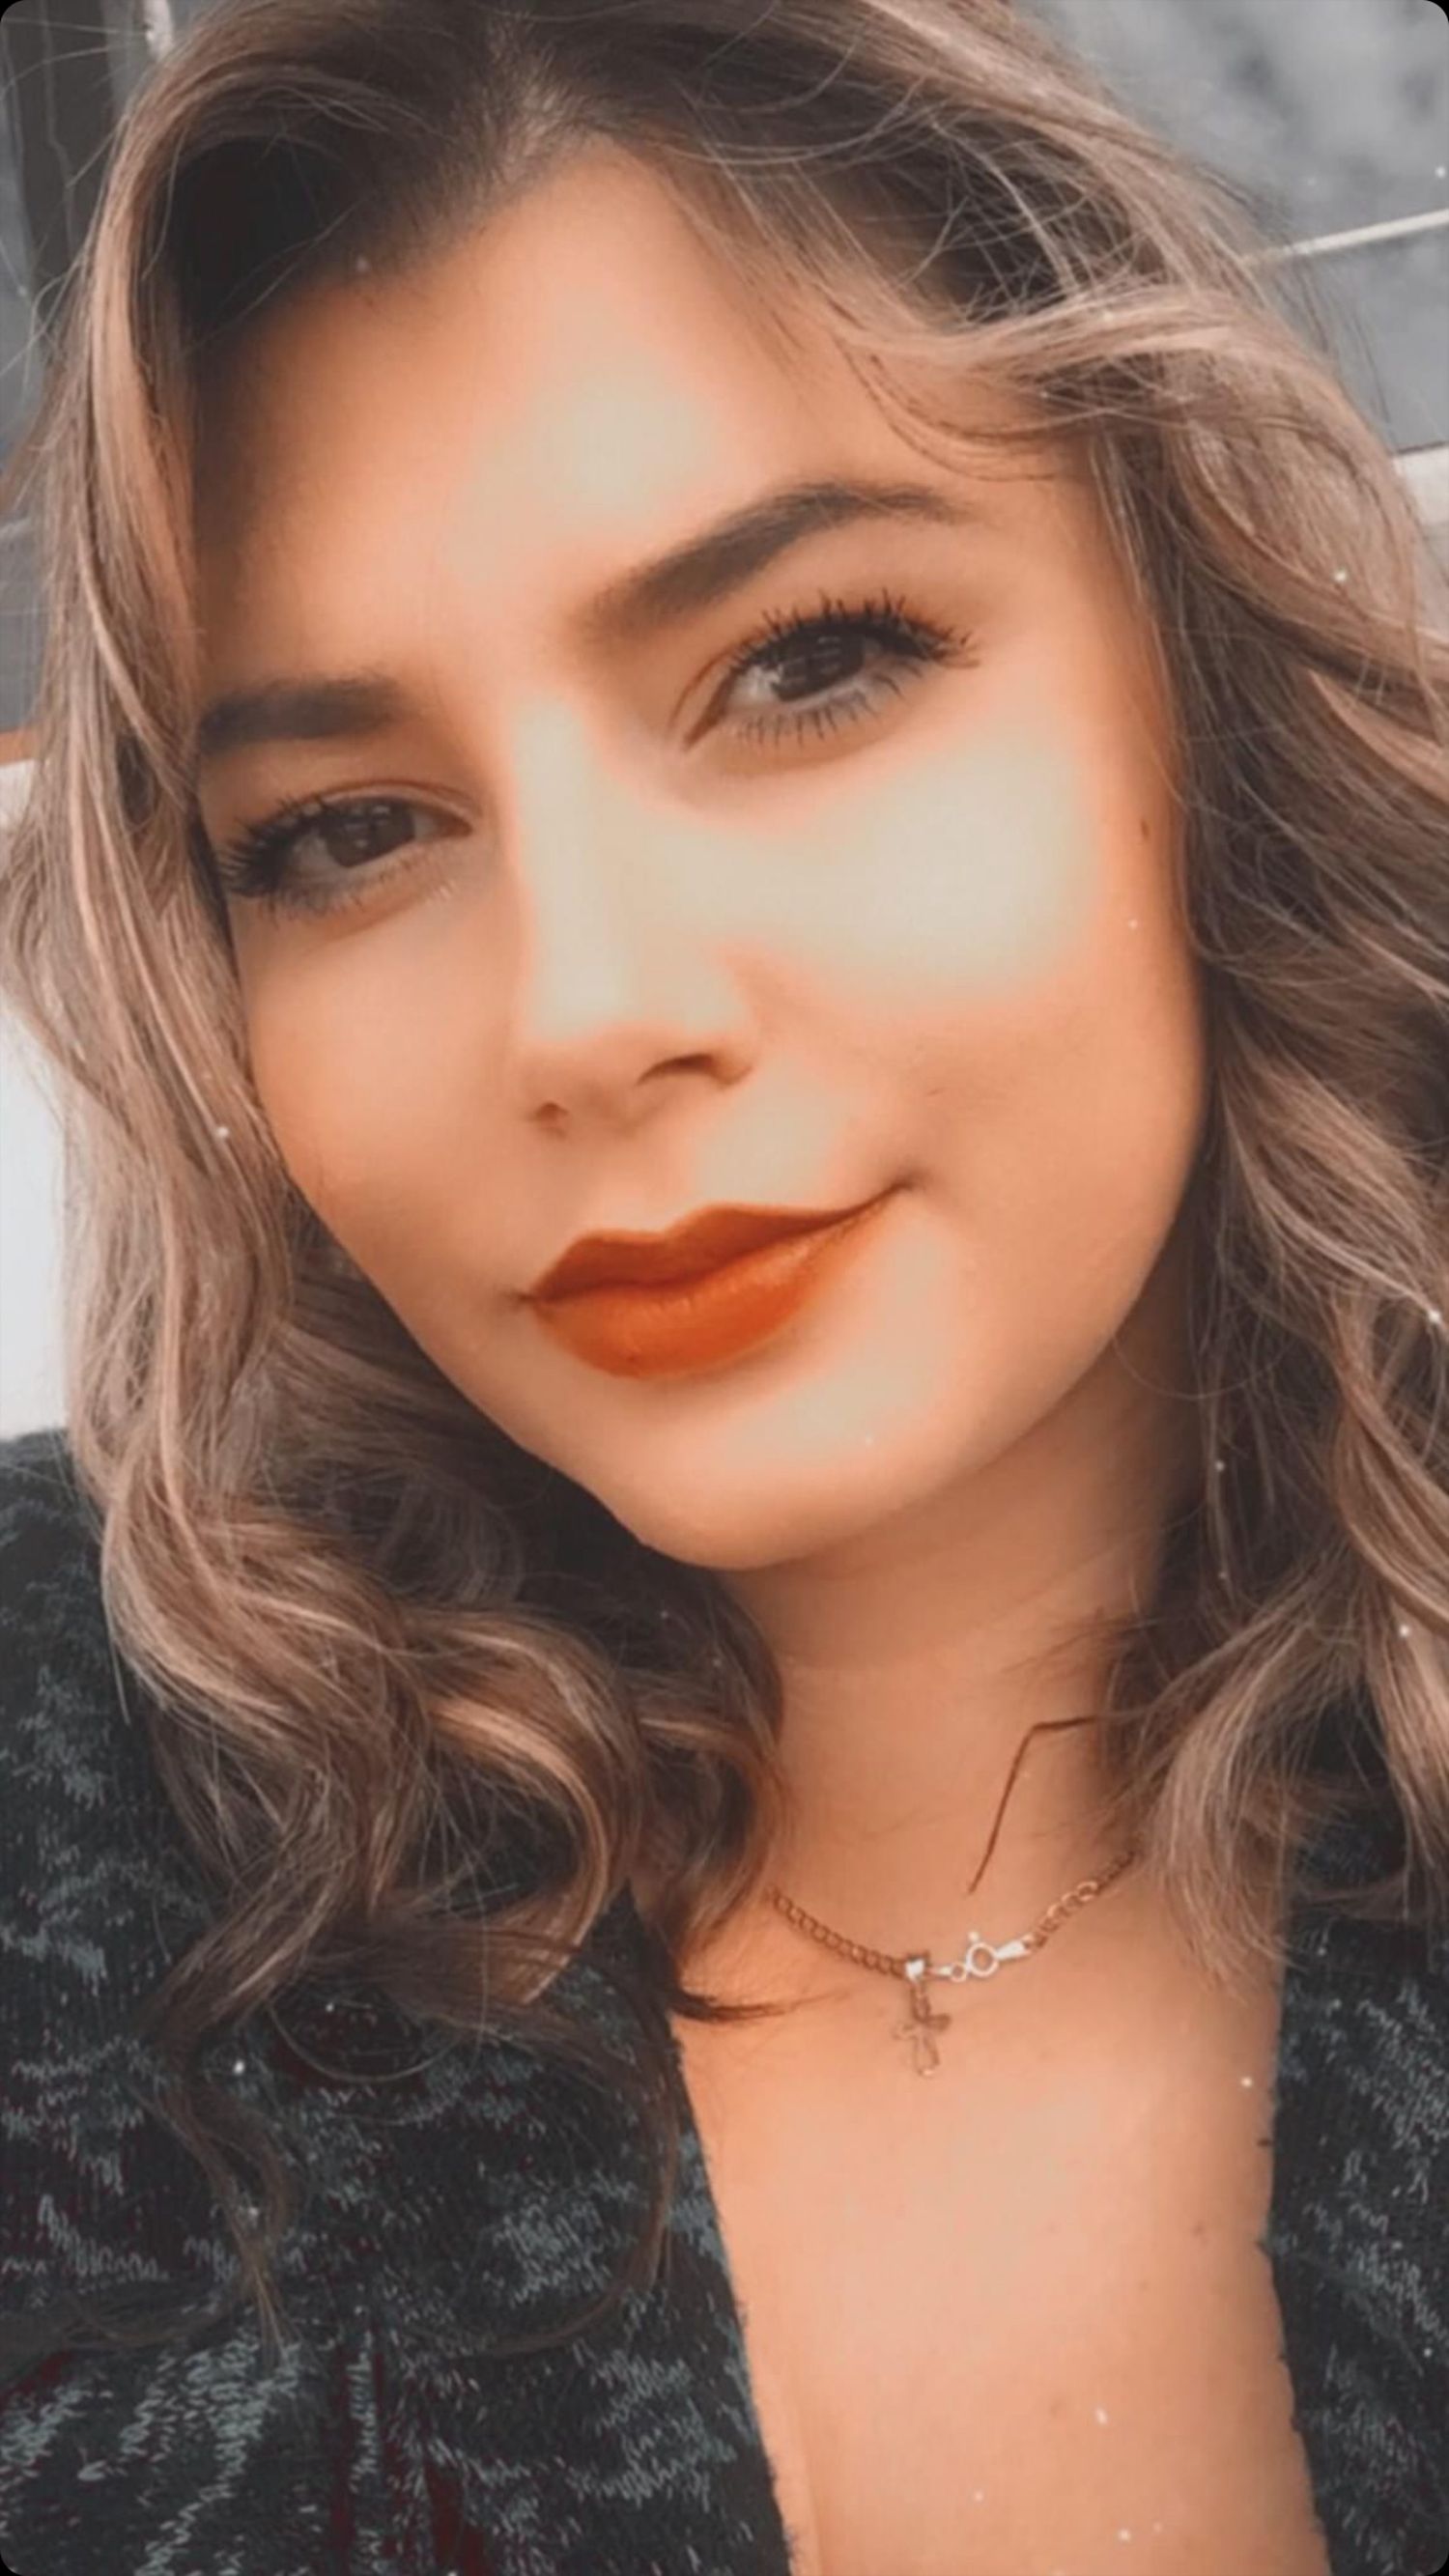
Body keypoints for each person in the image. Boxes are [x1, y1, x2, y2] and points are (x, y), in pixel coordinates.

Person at [0, 3, 1445, 2573]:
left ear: (1195, 679)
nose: (581, 1010)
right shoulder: (61, 1788)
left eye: (805, 662)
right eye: (343, 829)